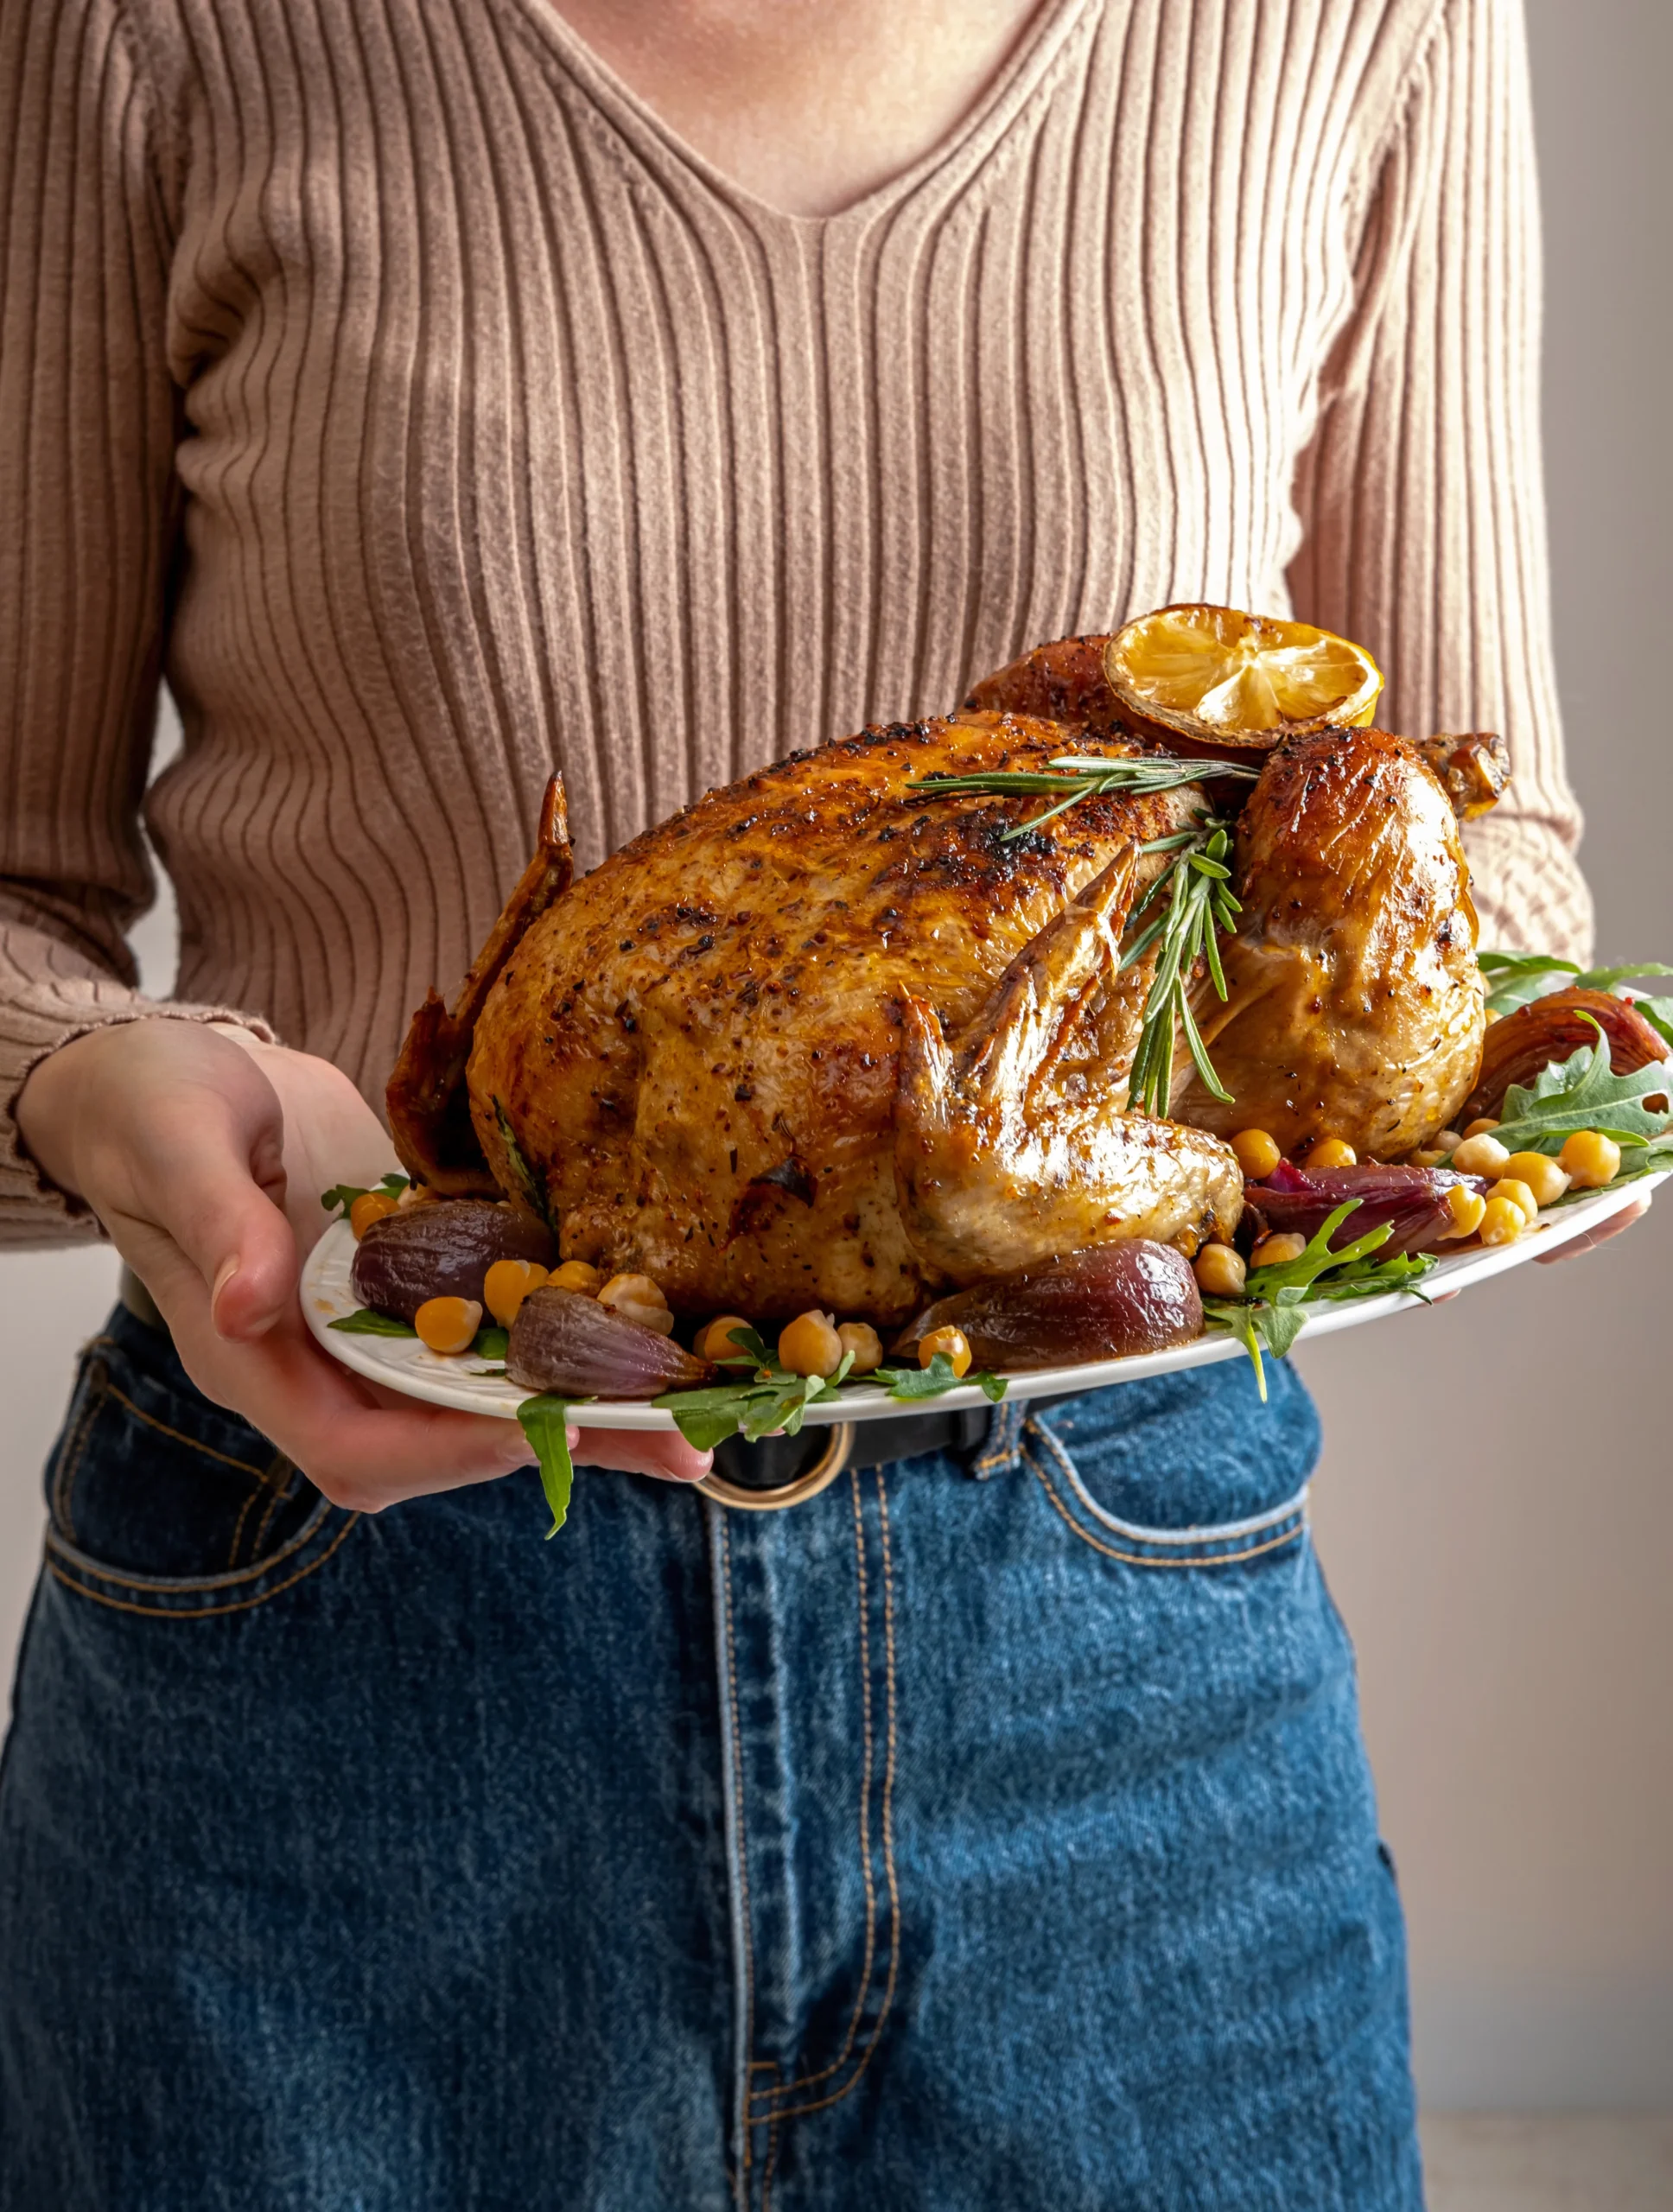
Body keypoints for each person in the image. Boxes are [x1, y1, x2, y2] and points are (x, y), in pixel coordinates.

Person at [0, 0, 1644, 2204]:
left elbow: (1480, 826)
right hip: (345, 1603)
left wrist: (1442, 1081)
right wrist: (94, 1082)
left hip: (1110, 1618)